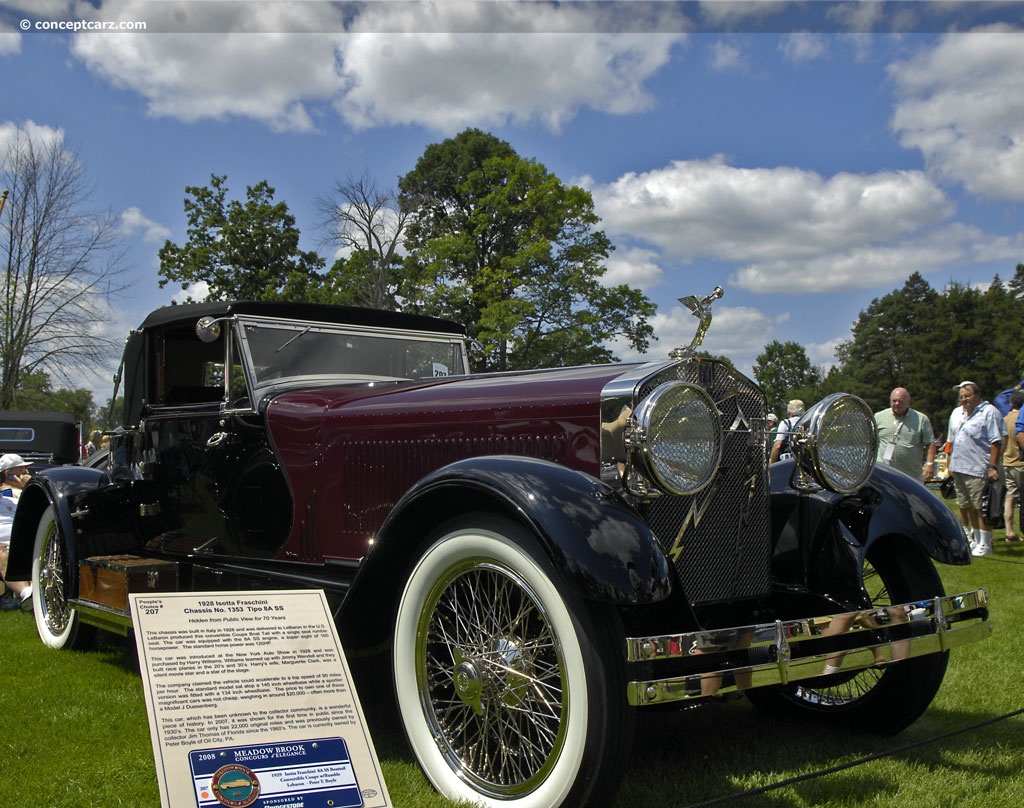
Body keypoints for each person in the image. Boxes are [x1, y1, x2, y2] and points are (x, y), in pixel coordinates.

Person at [948, 382, 1004, 557]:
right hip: (960, 466)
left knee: (981, 507)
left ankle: (986, 543)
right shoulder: (961, 413)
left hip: (978, 467)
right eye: (962, 397)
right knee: (968, 506)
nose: (964, 399)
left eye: (967, 395)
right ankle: (977, 540)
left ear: (977, 396)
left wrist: (992, 466)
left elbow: (996, 441)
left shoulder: (989, 412)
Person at [874, 387, 936, 481]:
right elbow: (870, 441)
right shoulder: (878, 417)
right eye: (894, 401)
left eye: (900, 401)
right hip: (884, 473)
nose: (897, 404)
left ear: (908, 402)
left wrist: (929, 464)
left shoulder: (921, 419)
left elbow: (930, 443)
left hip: (910, 475)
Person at [0, 453, 33, 611]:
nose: (26, 473)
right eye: (22, 470)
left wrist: (28, 486)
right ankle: (27, 593)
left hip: (20, 541)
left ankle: (36, 594)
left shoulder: (13, 499)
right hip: (3, 547)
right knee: (3, 554)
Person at [1004, 391, 1024, 541]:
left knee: (1010, 497)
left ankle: (1009, 531)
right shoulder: (1020, 419)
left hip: (1007, 461)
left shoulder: (1004, 419)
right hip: (1020, 462)